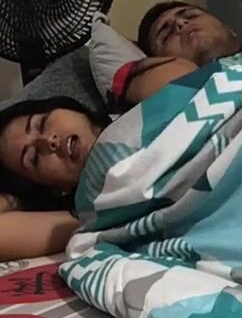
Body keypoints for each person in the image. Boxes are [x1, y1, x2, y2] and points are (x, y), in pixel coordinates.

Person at [0, 54, 197, 260]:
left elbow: (191, 79)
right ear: (55, 189)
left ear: (66, 107)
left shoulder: (133, 104)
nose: (49, 141)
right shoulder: (91, 215)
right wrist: (17, 199)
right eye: (34, 157)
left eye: (41, 124)